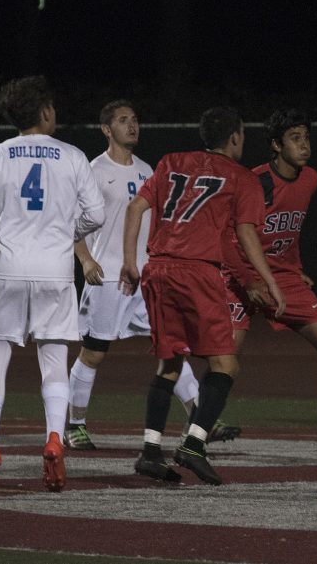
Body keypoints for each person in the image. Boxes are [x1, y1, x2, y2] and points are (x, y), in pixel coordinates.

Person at [121, 106, 283, 485]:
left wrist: (129, 262)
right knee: (226, 365)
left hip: (157, 268)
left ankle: (149, 451)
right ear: (236, 137)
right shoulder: (241, 178)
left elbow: (134, 208)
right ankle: (193, 445)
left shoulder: (170, 161)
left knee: (170, 364)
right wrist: (269, 280)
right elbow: (245, 233)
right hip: (197, 272)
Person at [65, 100, 238, 451]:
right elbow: (72, 223)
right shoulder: (93, 170)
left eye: (135, 119)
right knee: (94, 353)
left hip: (149, 277)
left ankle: (201, 416)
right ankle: (75, 425)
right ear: (106, 130)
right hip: (109, 276)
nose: (133, 126)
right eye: (123, 120)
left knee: (172, 350)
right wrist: (84, 260)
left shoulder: (149, 170)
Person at [0, 75, 105, 492]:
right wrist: (64, 232)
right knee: (54, 362)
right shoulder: (74, 156)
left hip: (6, 269)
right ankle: (55, 441)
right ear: (45, 111)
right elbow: (95, 215)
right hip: (55, 271)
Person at [225, 109, 317, 453]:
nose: (304, 145)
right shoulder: (254, 182)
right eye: (295, 138)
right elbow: (228, 238)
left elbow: (289, 232)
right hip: (241, 277)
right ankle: (196, 428)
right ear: (276, 145)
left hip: (283, 278)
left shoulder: (309, 179)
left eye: (306, 138)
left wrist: (293, 267)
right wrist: (249, 281)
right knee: (225, 360)